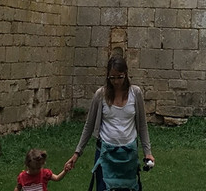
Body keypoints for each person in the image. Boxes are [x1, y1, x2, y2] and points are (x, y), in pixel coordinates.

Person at [64, 55, 154, 191]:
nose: (116, 81)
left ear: (126, 74)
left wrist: (148, 152)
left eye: (120, 77)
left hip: (129, 153)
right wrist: (77, 153)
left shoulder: (135, 93)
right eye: (112, 77)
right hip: (105, 152)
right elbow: (89, 126)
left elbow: (142, 125)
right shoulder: (101, 95)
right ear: (107, 76)